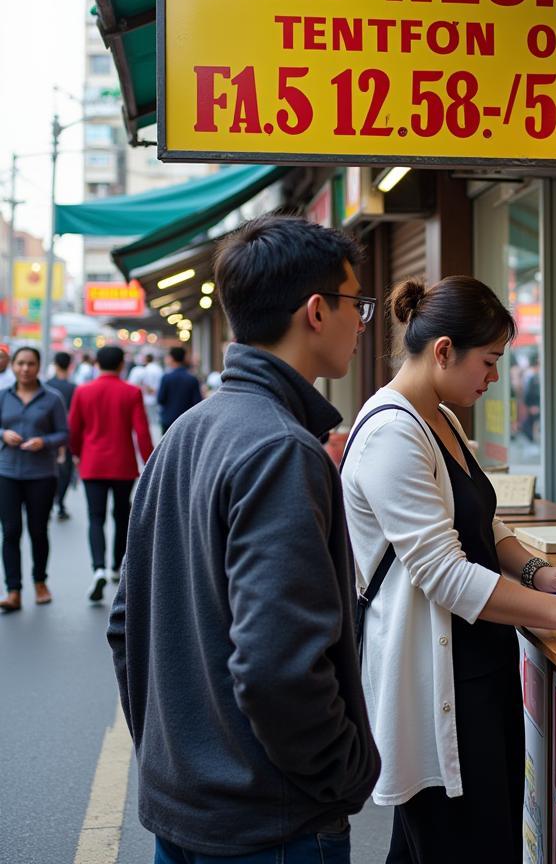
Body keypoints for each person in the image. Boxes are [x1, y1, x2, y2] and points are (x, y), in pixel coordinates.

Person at [342, 275, 556, 864]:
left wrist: (535, 572)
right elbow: (444, 573)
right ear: (444, 351)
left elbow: (482, 522)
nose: (495, 377)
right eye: (490, 360)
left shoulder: (442, 419)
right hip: (438, 679)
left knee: (444, 840)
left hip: (475, 663)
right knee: (464, 839)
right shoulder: (392, 434)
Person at [108, 214, 380, 863]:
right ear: (317, 311)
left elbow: (126, 625)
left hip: (181, 809)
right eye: (356, 303)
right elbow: (276, 668)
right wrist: (343, 774)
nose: (362, 320)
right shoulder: (282, 450)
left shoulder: (185, 434)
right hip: (272, 825)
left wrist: (173, 759)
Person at [68, 345, 154, 602]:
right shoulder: (131, 392)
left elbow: (73, 429)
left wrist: (76, 454)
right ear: (121, 365)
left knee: (96, 517)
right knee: (121, 515)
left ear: (97, 364)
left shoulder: (83, 392)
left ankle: (98, 568)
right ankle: (117, 567)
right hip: (122, 465)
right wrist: (150, 461)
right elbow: (141, 431)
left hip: (92, 464)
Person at [0, 347, 68, 612]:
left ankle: (40, 582)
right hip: (7, 472)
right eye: (20, 364)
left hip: (41, 474)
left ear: (39, 366)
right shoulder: (4, 396)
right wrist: (3, 434)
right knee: (11, 531)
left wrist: (45, 441)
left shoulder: (52, 399)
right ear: (13, 366)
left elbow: (64, 433)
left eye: (30, 364)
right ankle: (13, 590)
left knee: (38, 531)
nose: (25, 369)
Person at [46, 351, 77, 521]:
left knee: (49, 471)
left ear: (55, 364)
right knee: (65, 472)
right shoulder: (73, 388)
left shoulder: (46, 385)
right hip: (67, 436)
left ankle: (50, 502)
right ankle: (60, 503)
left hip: (48, 436)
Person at [156, 346, 202, 433]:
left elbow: (160, 399)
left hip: (168, 420)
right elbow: (197, 402)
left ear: (171, 358)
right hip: (186, 421)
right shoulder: (192, 379)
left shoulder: (166, 378)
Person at [128, 352, 162, 429]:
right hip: (157, 397)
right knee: (156, 420)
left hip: (148, 397)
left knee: (149, 421)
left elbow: (144, 384)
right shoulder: (158, 369)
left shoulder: (145, 370)